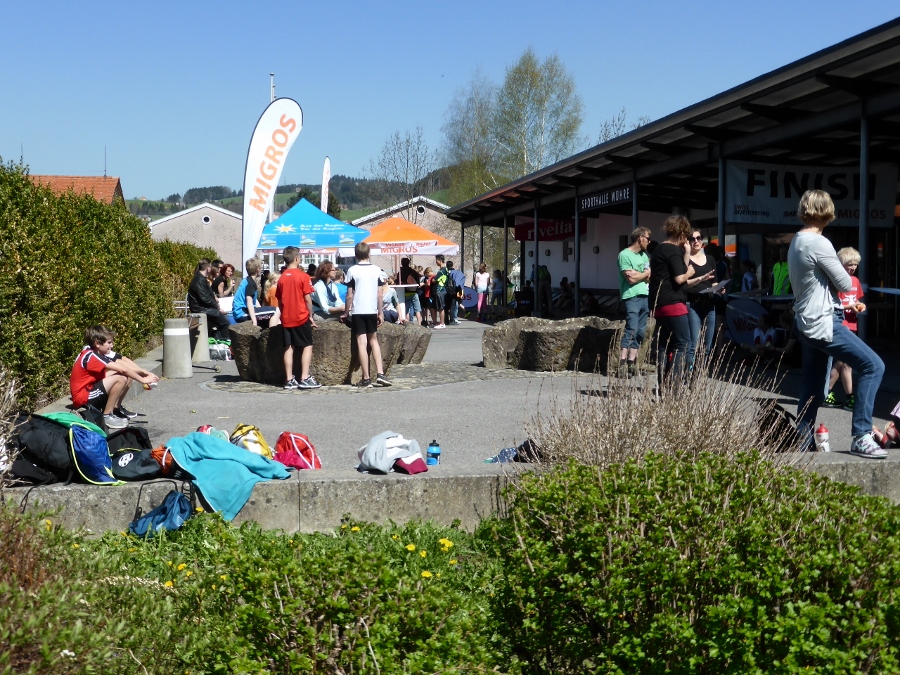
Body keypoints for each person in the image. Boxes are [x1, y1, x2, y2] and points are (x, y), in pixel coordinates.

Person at [789, 190, 884, 458]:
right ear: (827, 211)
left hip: (804, 321)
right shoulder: (820, 243)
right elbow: (844, 283)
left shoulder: (796, 240)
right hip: (823, 321)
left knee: (813, 385)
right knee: (874, 366)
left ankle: (803, 439)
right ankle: (861, 436)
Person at [649, 215, 711, 387]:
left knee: (664, 345)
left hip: (659, 303)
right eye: (687, 235)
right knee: (683, 343)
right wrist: (690, 272)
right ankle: (674, 386)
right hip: (673, 303)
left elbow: (667, 278)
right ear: (681, 233)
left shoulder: (659, 249)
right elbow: (680, 278)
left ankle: (663, 385)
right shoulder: (673, 250)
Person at [69, 325, 159, 430]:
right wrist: (143, 380)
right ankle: (107, 416)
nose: (112, 345)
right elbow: (123, 369)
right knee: (121, 378)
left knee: (124, 375)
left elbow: (121, 364)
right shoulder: (91, 356)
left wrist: (142, 372)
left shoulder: (96, 352)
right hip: (82, 398)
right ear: (97, 343)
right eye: (109, 342)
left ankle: (115, 409)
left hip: (89, 391)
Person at [341, 242, 392, 388]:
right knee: (374, 341)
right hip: (372, 309)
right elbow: (380, 294)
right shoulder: (377, 270)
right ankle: (380, 373)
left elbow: (349, 295)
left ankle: (366, 377)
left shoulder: (352, 270)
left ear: (356, 255)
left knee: (362, 343)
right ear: (369, 253)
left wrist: (346, 312)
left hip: (358, 310)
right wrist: (380, 312)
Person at [823, 247, 866, 410]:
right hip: (840, 324)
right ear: (841, 264)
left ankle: (826, 393)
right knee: (845, 362)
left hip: (852, 324)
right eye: (850, 264)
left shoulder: (855, 281)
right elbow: (833, 303)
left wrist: (860, 306)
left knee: (843, 362)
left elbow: (857, 299)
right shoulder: (836, 281)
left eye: (855, 264)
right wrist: (850, 306)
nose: (853, 267)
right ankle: (848, 398)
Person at [275, 246, 321, 390]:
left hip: (286, 317)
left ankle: (289, 379)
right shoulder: (303, 276)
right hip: (300, 316)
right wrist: (310, 315)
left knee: (289, 347)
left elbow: (280, 300)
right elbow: (307, 299)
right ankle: (304, 377)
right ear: (296, 258)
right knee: (307, 345)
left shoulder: (281, 278)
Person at [617, 227, 651, 377]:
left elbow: (650, 276)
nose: (649, 242)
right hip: (631, 296)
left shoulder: (644, 256)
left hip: (645, 295)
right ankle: (622, 363)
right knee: (632, 328)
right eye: (648, 238)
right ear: (640, 238)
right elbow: (630, 279)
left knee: (641, 331)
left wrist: (640, 274)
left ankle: (631, 362)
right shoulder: (624, 255)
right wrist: (644, 274)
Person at [685, 229, 719, 368]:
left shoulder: (710, 259)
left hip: (709, 304)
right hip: (692, 303)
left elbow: (714, 282)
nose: (696, 241)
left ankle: (700, 373)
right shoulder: (686, 259)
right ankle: (688, 374)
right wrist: (700, 279)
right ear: (688, 241)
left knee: (707, 345)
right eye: (692, 239)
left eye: (698, 238)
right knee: (693, 344)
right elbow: (683, 283)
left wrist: (719, 289)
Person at [188, 259, 231, 341]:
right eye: (210, 267)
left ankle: (219, 341)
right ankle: (226, 343)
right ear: (207, 268)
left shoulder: (201, 278)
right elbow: (205, 299)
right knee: (225, 322)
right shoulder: (199, 280)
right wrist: (217, 307)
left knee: (222, 321)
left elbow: (206, 296)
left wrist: (215, 300)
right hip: (202, 309)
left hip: (204, 308)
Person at [232, 258, 261, 325]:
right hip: (242, 313)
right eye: (260, 268)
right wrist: (254, 321)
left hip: (238, 313)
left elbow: (255, 301)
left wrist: (261, 309)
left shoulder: (247, 280)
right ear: (257, 269)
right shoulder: (250, 283)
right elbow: (249, 302)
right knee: (275, 311)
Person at [399, 257, 423, 325]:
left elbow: (398, 281)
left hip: (405, 292)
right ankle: (419, 324)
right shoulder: (412, 271)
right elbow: (418, 281)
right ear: (408, 263)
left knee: (406, 310)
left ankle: (407, 324)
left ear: (402, 263)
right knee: (417, 309)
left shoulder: (401, 272)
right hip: (414, 292)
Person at [430, 254, 449, 329]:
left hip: (440, 290)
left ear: (440, 261)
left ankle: (442, 323)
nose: (436, 262)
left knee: (441, 307)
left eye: (436, 261)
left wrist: (432, 277)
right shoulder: (446, 269)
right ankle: (435, 322)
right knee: (433, 306)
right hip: (440, 290)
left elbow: (434, 280)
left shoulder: (442, 271)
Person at [445, 260, 466, 325]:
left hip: (446, 291)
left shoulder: (444, 272)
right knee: (455, 305)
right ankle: (453, 319)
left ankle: (446, 319)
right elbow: (459, 284)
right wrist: (461, 293)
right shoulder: (457, 273)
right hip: (455, 291)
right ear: (452, 265)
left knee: (446, 305)